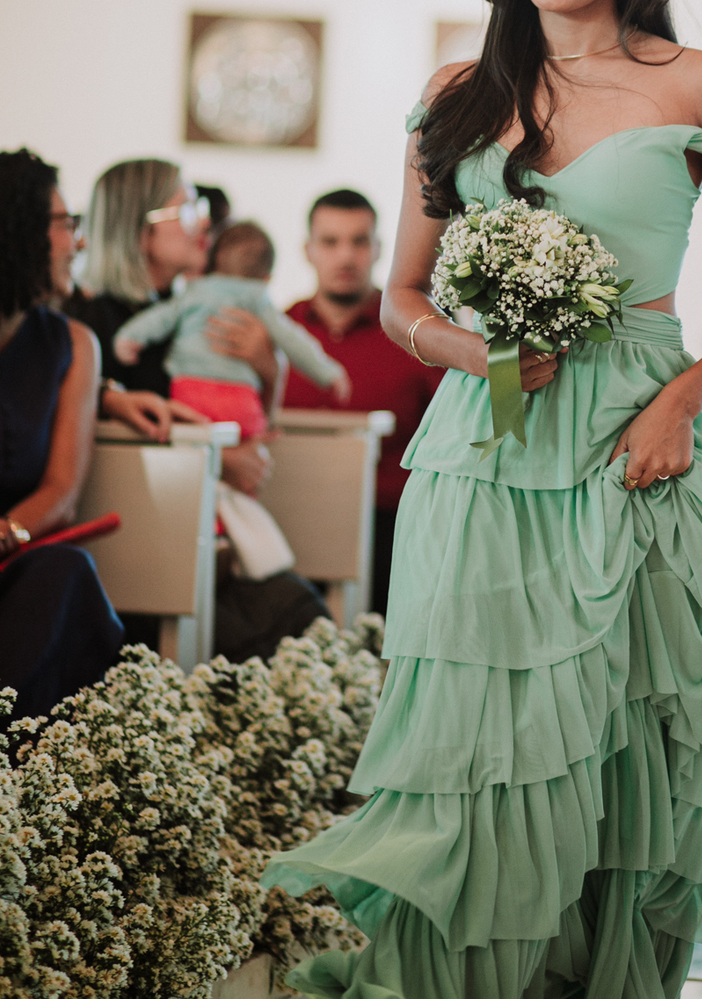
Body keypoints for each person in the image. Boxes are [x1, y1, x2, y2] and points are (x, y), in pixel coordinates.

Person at [263, 0, 702, 999]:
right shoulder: (457, 96)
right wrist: (481, 357)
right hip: (486, 450)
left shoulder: (698, 84)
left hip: (641, 442)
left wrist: (685, 402)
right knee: (483, 745)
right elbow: (405, 296)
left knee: (631, 740)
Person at [67, 161, 331, 662]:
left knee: (304, 614)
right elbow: (103, 440)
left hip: (190, 519)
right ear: (141, 232)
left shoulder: (182, 307)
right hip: (135, 546)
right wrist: (220, 460)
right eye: (186, 208)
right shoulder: (92, 322)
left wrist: (268, 370)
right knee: (293, 623)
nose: (204, 222)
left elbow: (255, 415)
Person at [0, 148, 125, 721]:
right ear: (19, 227)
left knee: (67, 571)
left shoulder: (74, 344)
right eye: (65, 223)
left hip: (12, 555)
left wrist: (8, 530)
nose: (77, 242)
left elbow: (61, 491)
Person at [282, 190, 443, 613]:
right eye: (331, 242)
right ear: (308, 250)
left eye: (358, 241)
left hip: (393, 529)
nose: (346, 257)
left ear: (378, 249)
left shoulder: (419, 332)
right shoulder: (279, 331)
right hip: (288, 522)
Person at [114, 220, 350, 439]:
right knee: (257, 440)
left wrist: (129, 338)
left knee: (193, 444)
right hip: (237, 399)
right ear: (266, 278)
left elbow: (161, 317)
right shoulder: (258, 298)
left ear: (214, 263)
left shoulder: (195, 290)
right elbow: (292, 340)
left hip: (188, 392)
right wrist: (328, 374)